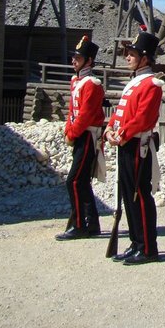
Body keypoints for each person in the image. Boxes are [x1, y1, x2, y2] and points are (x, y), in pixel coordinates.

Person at [104, 27, 163, 264]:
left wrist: (122, 134)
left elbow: (142, 118)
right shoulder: (135, 82)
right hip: (126, 142)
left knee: (140, 194)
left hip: (138, 144)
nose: (127, 56)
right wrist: (110, 128)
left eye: (132, 53)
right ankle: (136, 241)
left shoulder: (152, 84)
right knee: (128, 194)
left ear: (145, 58)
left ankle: (148, 246)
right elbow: (121, 113)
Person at [56, 35, 105, 240]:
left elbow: (85, 115)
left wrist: (73, 132)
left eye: (78, 57)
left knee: (74, 181)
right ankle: (91, 223)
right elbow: (72, 111)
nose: (74, 60)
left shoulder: (92, 84)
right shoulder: (77, 81)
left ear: (89, 61)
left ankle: (79, 225)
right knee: (81, 180)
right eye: (74, 57)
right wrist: (69, 130)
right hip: (79, 135)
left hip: (87, 136)